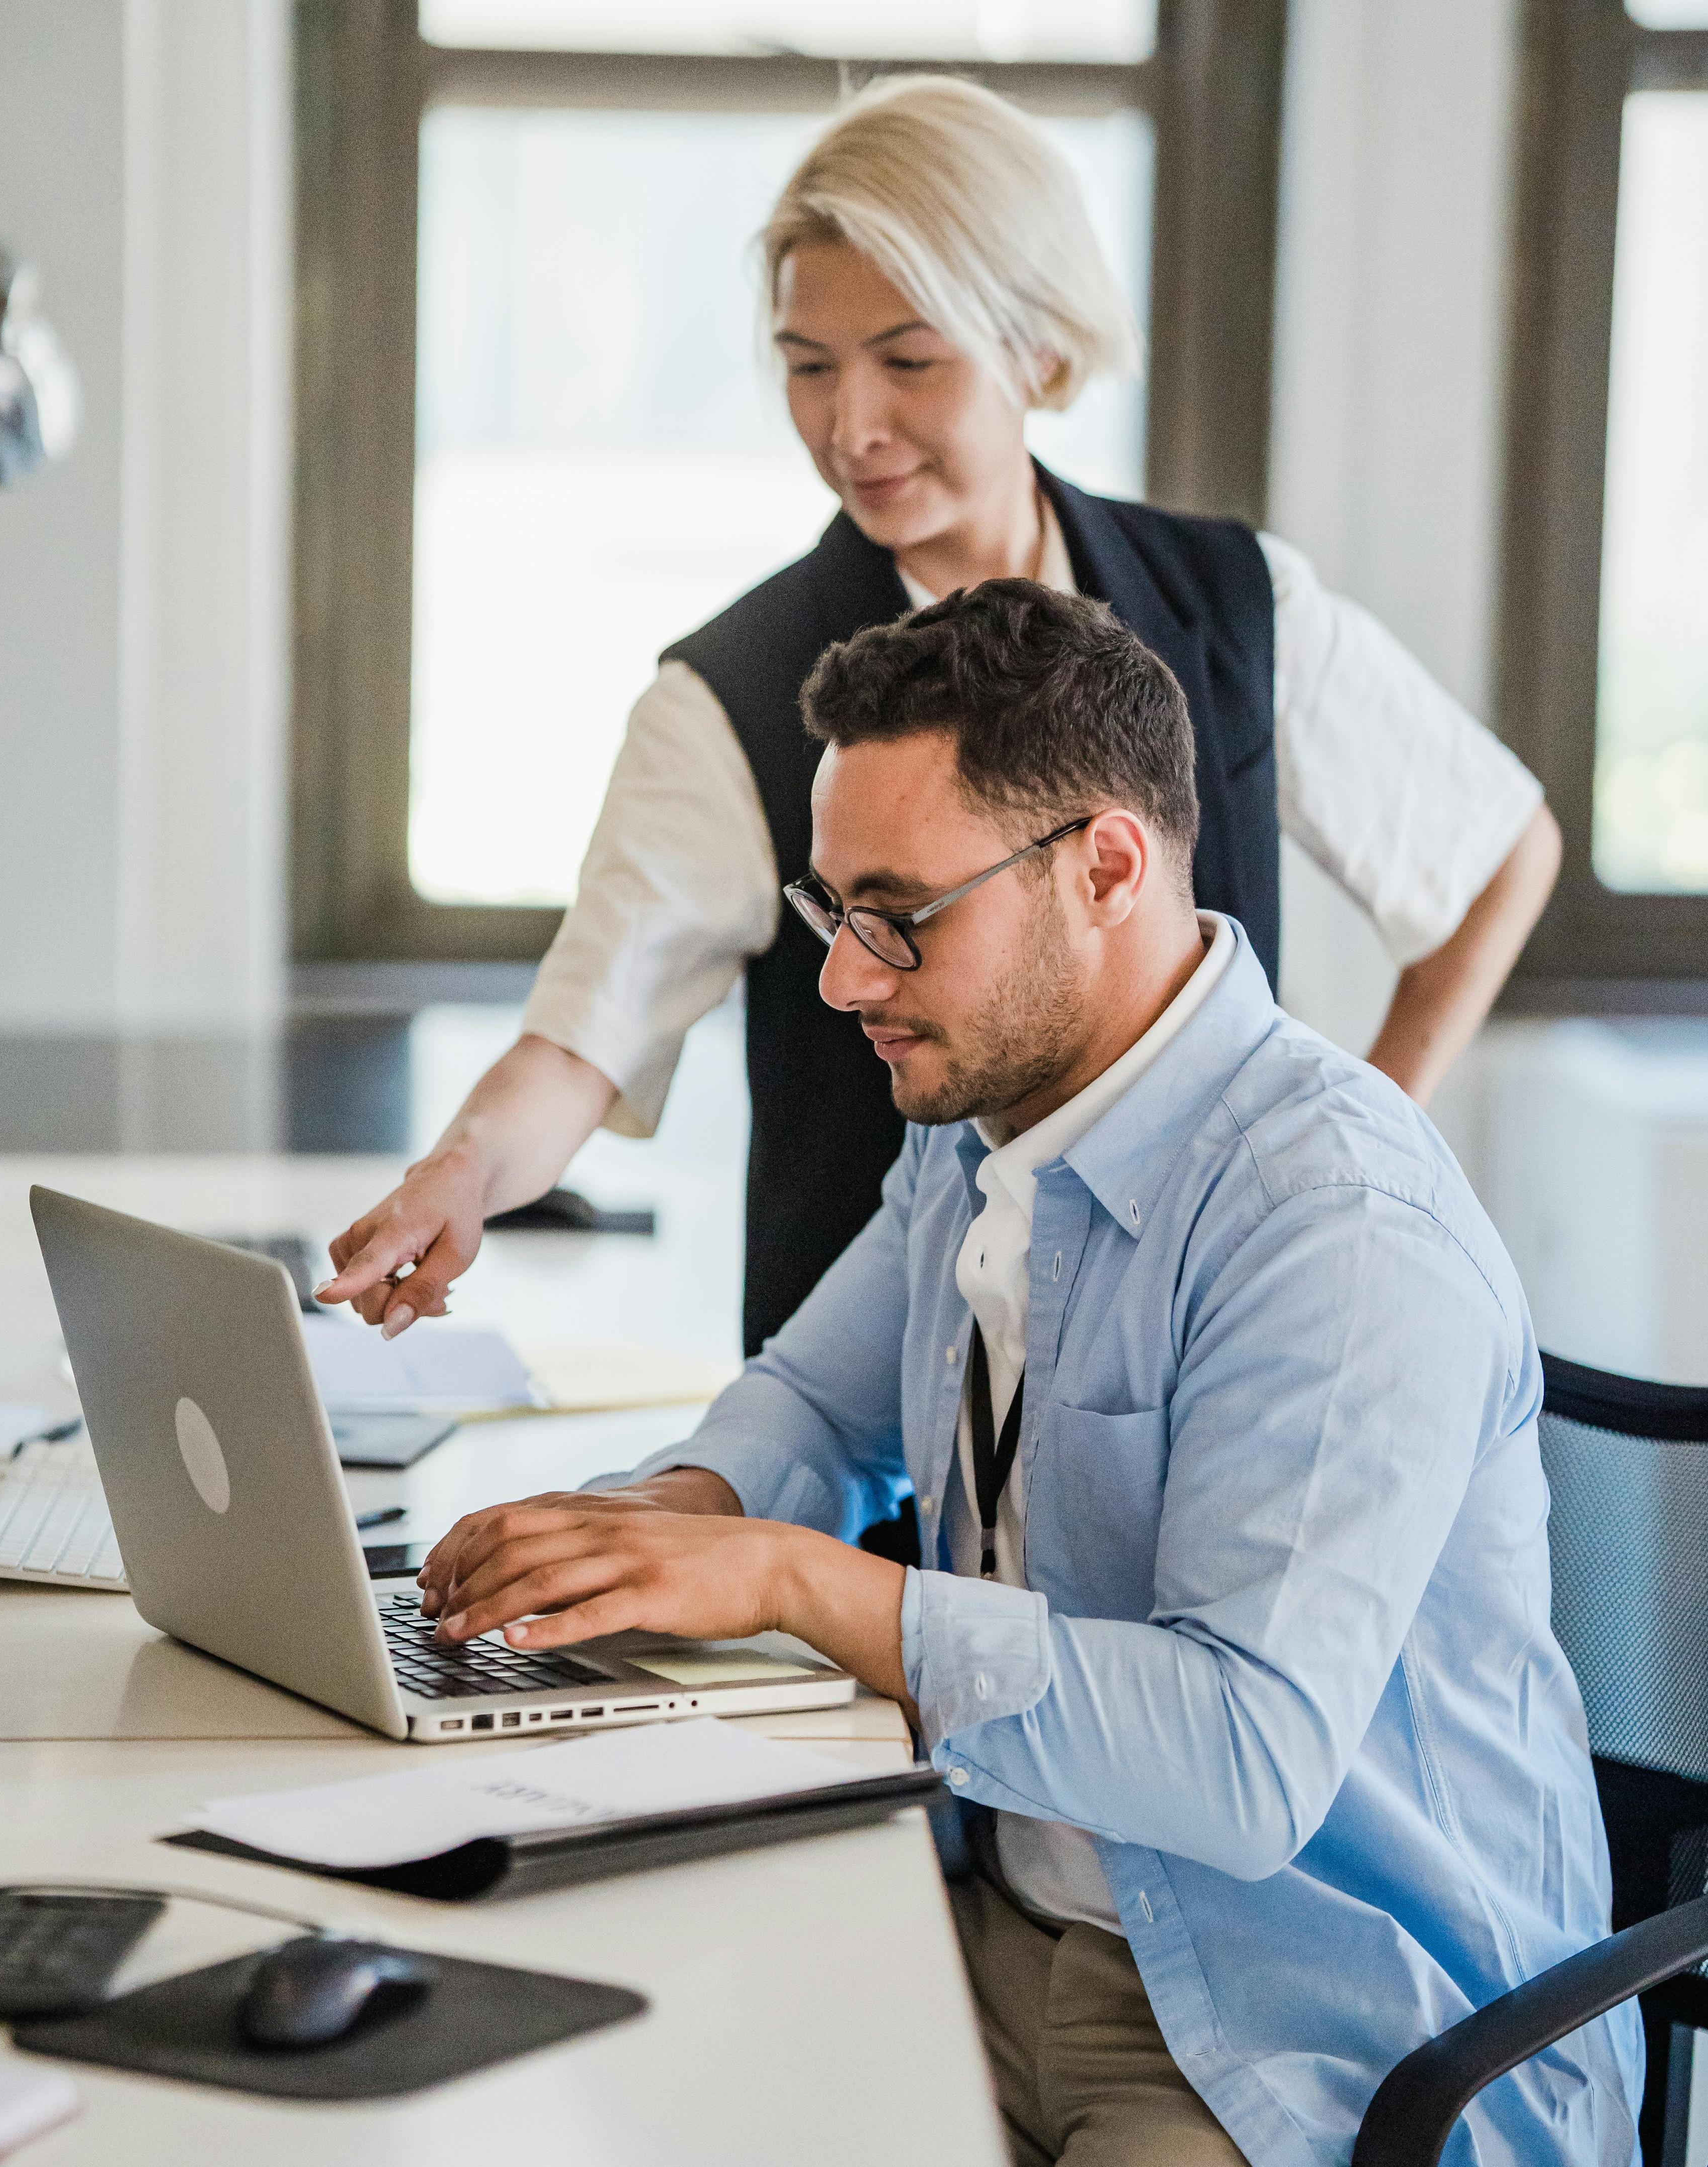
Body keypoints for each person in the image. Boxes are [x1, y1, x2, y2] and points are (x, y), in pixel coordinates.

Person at [407, 585, 1638, 2166]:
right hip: (1003, 1923)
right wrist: (658, 1524)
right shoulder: (993, 1126)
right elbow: (818, 1405)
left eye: (900, 916)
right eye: (831, 910)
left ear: (1107, 867)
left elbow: (1245, 1758)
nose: (849, 981)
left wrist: (784, 1578)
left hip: (1319, 2026)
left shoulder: (1330, 1223)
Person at [319, 73, 1560, 1365]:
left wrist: (1345, 1149)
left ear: (1038, 346)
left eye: (907, 360)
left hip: (1196, 1365)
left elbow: (1494, 849)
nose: (851, 427)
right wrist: (461, 1171)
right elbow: (582, 1040)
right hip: (863, 1416)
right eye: (808, 368)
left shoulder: (1234, 607)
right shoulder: (730, 694)